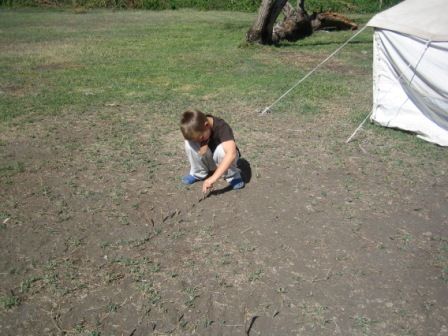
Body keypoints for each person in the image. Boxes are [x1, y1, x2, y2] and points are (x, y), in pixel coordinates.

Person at [180, 109, 245, 192]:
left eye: (201, 138)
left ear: (206, 125)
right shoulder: (199, 125)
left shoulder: (222, 127)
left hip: (225, 159)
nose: (199, 141)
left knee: (223, 150)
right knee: (188, 142)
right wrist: (202, 142)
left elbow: (231, 154)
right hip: (212, 161)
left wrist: (212, 179)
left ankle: (232, 176)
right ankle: (198, 173)